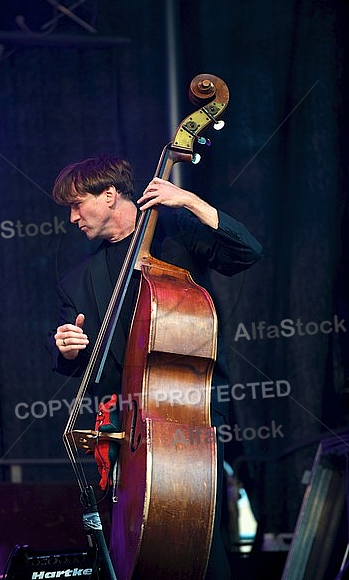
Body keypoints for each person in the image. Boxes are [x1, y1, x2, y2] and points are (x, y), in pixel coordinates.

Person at [46, 155, 262, 580]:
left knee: (200, 539)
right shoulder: (76, 281)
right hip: (128, 427)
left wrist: (191, 201)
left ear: (109, 196)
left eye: (76, 205)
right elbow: (91, 367)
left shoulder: (176, 238)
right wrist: (70, 352)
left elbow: (248, 252)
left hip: (189, 415)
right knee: (135, 545)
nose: (72, 218)